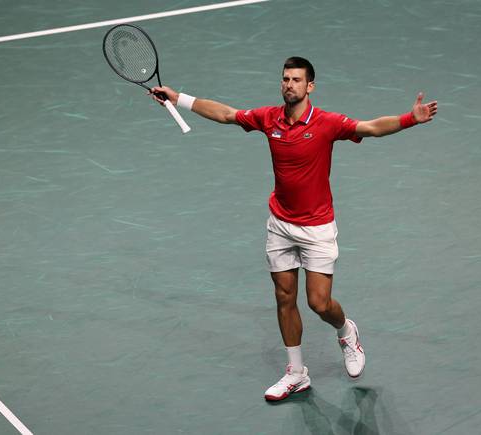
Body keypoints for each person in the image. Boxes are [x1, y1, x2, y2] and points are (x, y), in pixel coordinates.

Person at [150, 56, 437, 402]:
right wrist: (178, 97)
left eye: (296, 80)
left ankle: (346, 331)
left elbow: (371, 128)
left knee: (319, 303)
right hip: (281, 224)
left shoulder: (328, 123)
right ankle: (296, 373)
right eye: (285, 79)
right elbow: (226, 114)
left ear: (309, 86)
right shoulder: (268, 117)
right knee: (284, 298)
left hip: (317, 227)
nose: (289, 84)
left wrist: (411, 119)